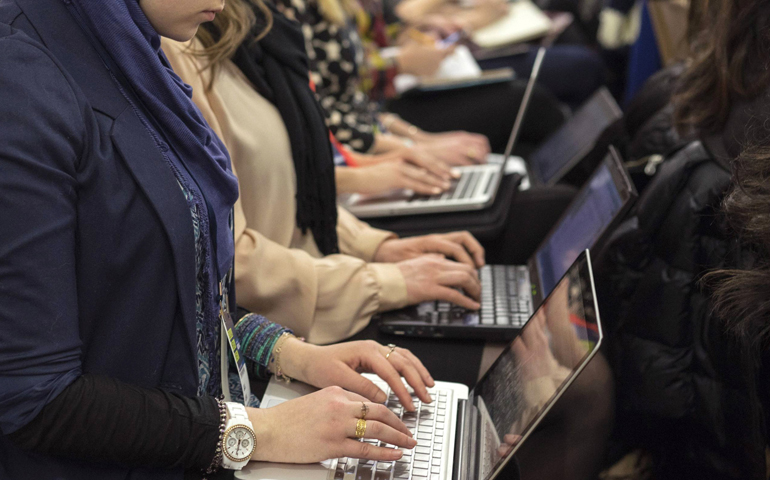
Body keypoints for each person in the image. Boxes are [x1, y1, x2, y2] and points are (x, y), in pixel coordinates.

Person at [0, 1, 438, 478]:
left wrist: (290, 354)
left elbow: (174, 298)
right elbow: (31, 396)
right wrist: (256, 431)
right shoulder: (21, 78)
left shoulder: (126, 46)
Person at [162, 1, 486, 343]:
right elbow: (229, 261)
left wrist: (373, 247)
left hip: (322, 281)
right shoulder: (175, 43)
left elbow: (295, 189)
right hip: (288, 317)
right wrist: (382, 279)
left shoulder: (252, 29)